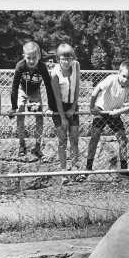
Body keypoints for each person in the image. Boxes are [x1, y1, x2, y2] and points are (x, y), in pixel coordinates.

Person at [85, 60, 129, 178]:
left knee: (123, 139)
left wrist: (118, 112)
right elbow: (96, 91)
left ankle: (124, 170)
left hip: (114, 113)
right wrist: (92, 107)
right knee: (95, 137)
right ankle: (88, 168)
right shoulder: (111, 79)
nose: (125, 79)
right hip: (102, 110)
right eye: (123, 76)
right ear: (119, 73)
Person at [9, 41, 56, 157]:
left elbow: (49, 87)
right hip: (22, 90)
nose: (31, 61)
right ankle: (21, 144)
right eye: (28, 58)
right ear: (24, 56)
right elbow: (14, 86)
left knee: (39, 116)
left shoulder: (42, 67)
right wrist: (13, 107)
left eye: (34, 58)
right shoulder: (20, 66)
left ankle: (38, 146)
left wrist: (51, 107)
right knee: (20, 112)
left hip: (35, 92)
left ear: (39, 57)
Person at [51, 43, 81, 172]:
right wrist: (62, 117)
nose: (67, 61)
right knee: (62, 140)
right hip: (59, 107)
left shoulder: (76, 65)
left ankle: (75, 169)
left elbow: (77, 87)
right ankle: (63, 171)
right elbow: (57, 98)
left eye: (69, 58)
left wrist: (74, 107)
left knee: (74, 139)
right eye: (63, 58)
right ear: (58, 59)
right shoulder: (55, 74)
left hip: (72, 105)